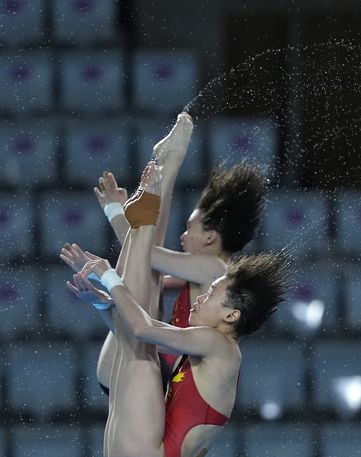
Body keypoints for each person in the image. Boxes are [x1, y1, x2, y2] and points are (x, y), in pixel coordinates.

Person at [66, 161, 288, 457]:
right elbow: (141, 299)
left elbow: (142, 321)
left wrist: (110, 266)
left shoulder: (218, 342)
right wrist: (100, 299)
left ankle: (164, 178)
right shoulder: (212, 339)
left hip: (148, 453)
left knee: (139, 327)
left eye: (212, 294)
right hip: (140, 453)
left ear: (231, 315)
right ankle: (160, 182)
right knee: (138, 313)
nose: (201, 297)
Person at [60, 113, 267, 391]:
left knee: (147, 263)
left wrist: (116, 214)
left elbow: (146, 254)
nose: (182, 236)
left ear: (209, 236)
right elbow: (144, 270)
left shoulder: (216, 270)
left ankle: (169, 164)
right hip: (144, 368)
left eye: (189, 228)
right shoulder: (208, 279)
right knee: (148, 278)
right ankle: (168, 165)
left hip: (144, 369)